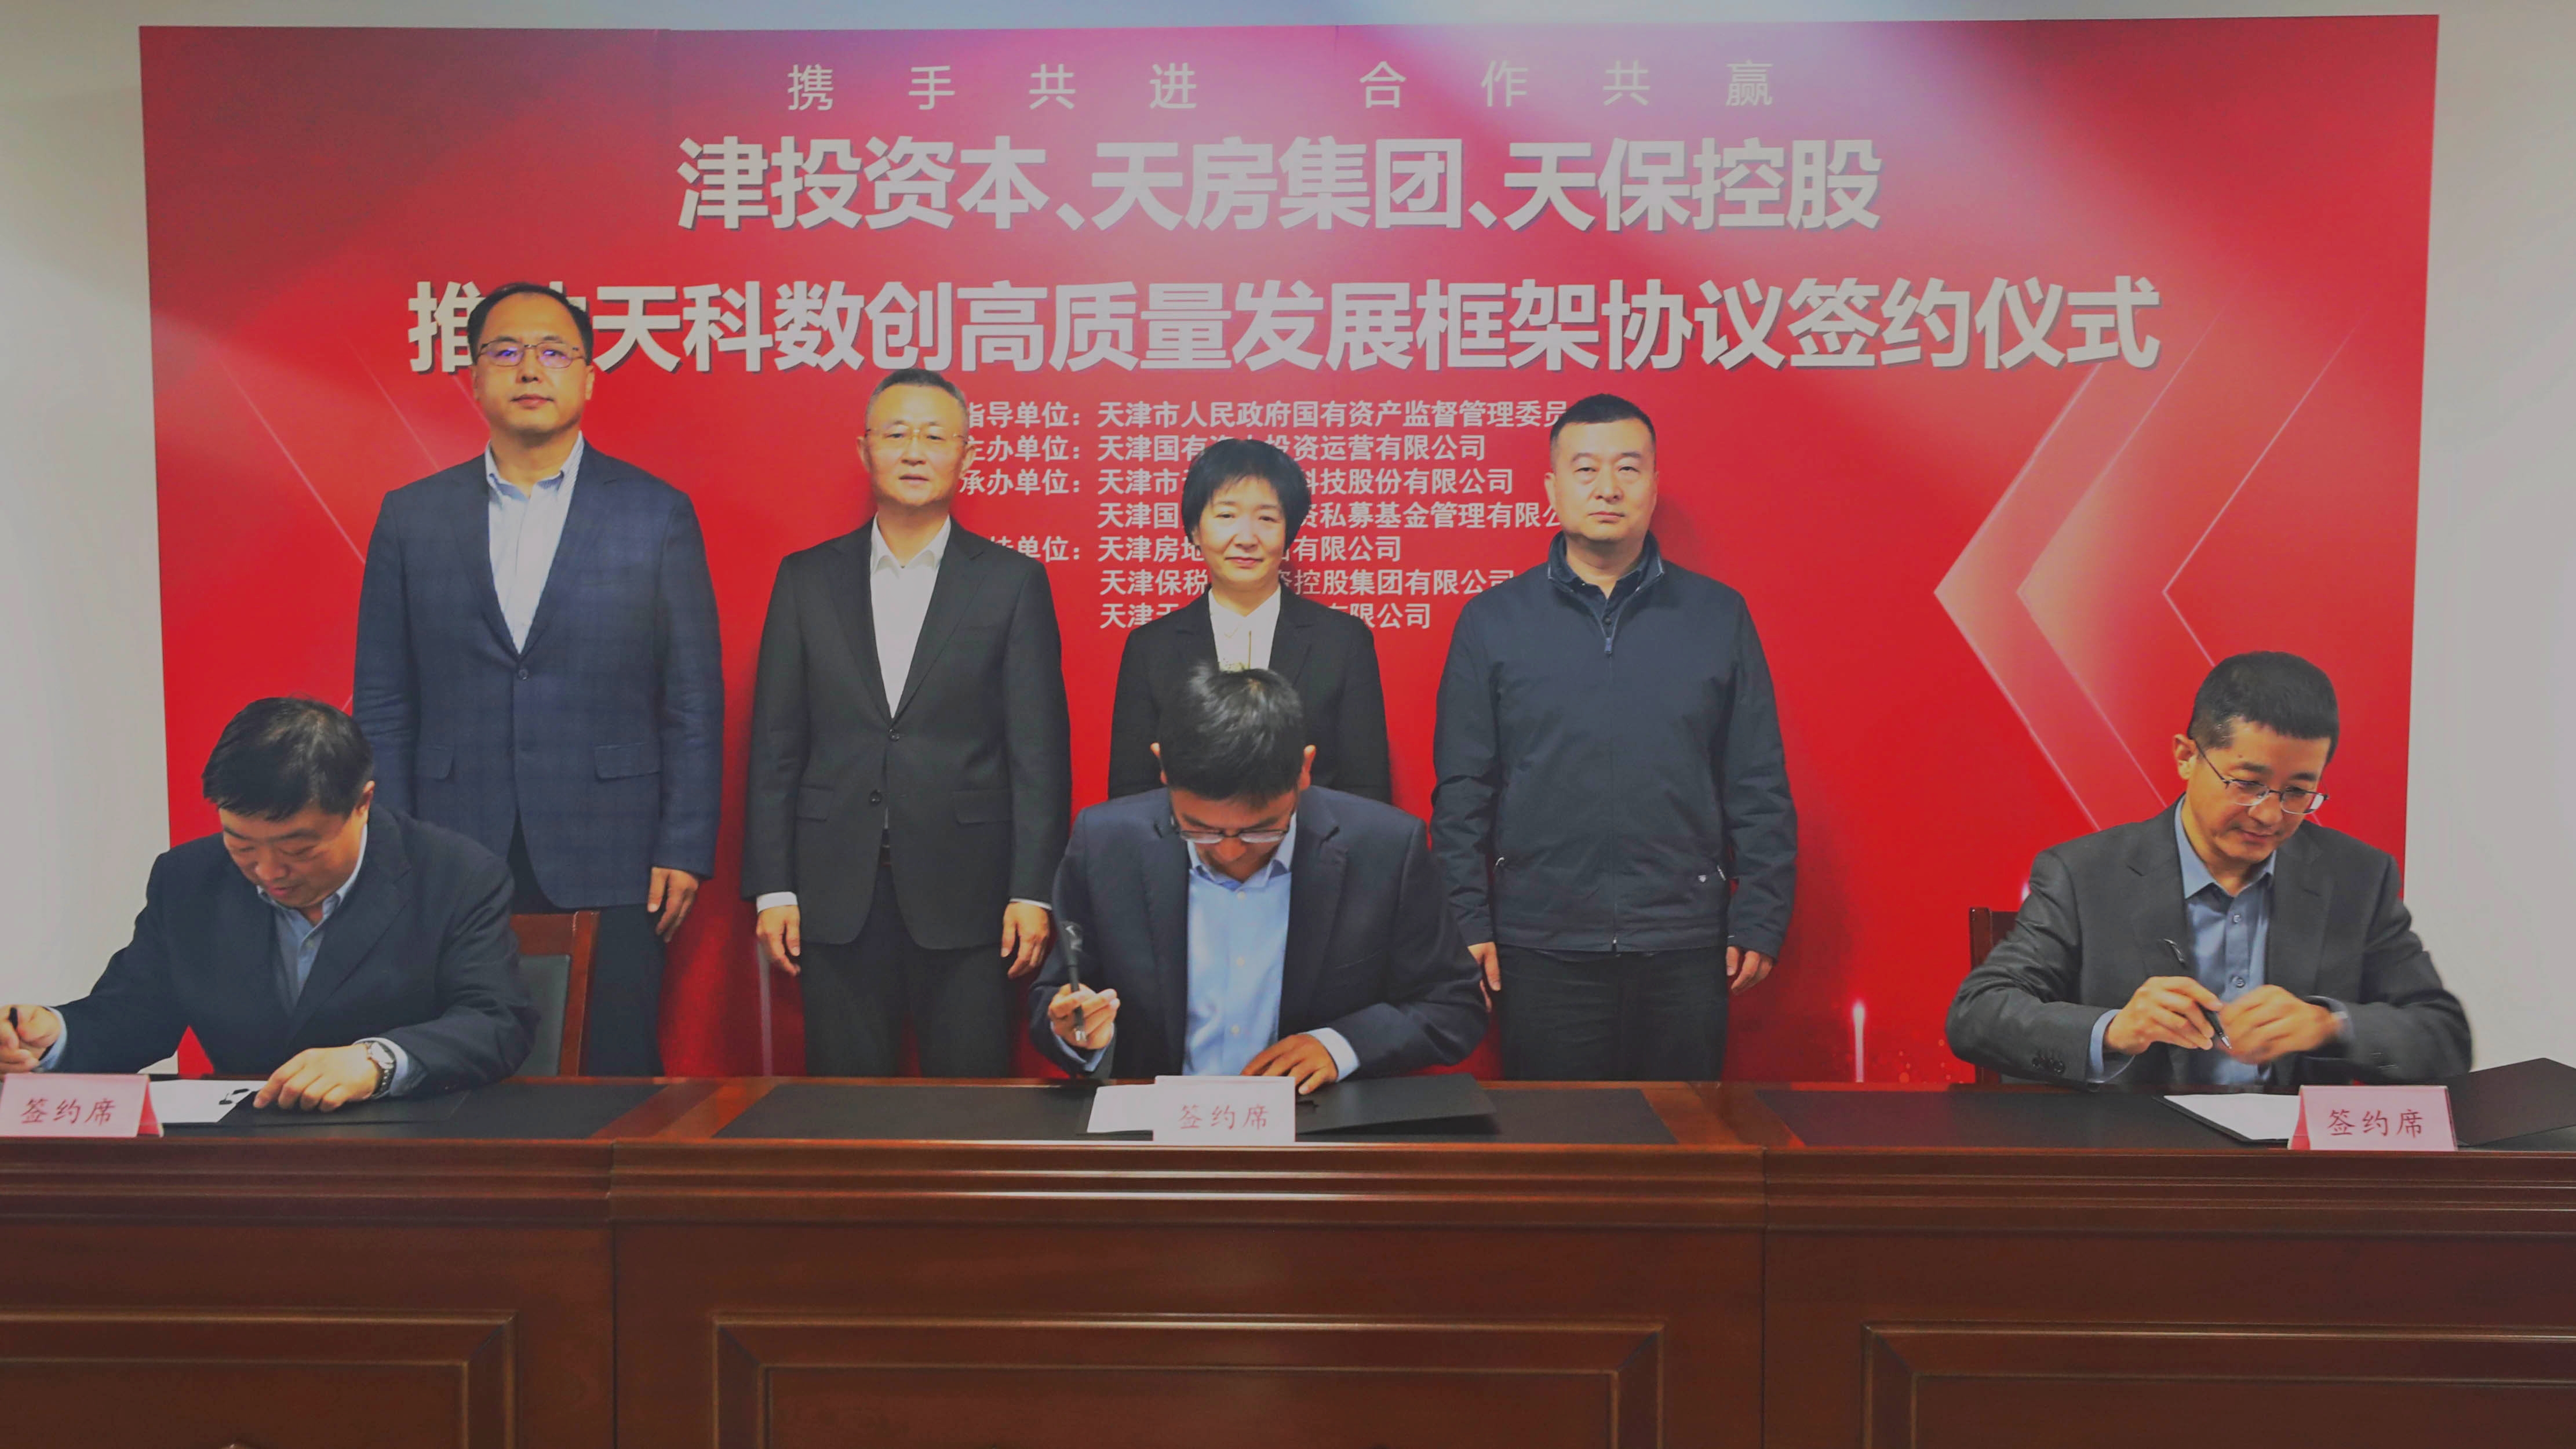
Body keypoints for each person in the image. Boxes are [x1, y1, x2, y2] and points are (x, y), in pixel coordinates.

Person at [352, 282, 723, 1076]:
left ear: (588, 377)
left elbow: (692, 697)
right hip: (449, 841)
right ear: (473, 378)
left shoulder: (654, 513)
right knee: (455, 1065)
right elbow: (383, 701)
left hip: (614, 842)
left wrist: (684, 846)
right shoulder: (412, 516)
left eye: (554, 352)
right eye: (506, 351)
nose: (530, 369)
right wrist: (392, 847)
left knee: (613, 1070)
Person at [1431, 393, 1796, 1082]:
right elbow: (1461, 790)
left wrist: (1760, 913)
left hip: (1684, 941)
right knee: (1557, 1142)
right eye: (1585, 469)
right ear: (1551, 488)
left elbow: (1755, 779)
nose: (1607, 488)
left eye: (1627, 468)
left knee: (1683, 1142)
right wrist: (1466, 920)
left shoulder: (1716, 615)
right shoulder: (1492, 621)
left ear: (1653, 485)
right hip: (1539, 943)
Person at [745, 368, 1072, 1076]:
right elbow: (774, 746)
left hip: (971, 892)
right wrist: (774, 886)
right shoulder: (806, 579)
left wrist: (1031, 890)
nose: (914, 451)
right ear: (864, 449)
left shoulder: (1011, 582)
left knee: (970, 1105)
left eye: (934, 436)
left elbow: (1038, 754)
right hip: (834, 887)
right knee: (845, 1109)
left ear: (966, 454)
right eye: (896, 434)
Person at [1948, 652, 2470, 1088]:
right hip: (2141, 1159)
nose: (2269, 815)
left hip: (2292, 1167)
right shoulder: (2084, 875)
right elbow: (1978, 1015)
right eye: (2247, 784)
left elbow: (2444, 1039)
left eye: (2297, 792)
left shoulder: (2356, 878)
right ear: (2185, 756)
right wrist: (2114, 1029)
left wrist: (2329, 1025)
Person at [0, 698, 536, 1109]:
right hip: (244, 1153)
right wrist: (51, 1037)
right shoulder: (187, 879)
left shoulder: (455, 874)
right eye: (241, 845)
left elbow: (496, 1020)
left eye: (298, 850)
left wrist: (376, 1062)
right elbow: (137, 1014)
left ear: (362, 804)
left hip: (406, 1146)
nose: (269, 871)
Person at [1031, 665, 1484, 1089]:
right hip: (1161, 1124)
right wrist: (1078, 1031)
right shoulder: (1106, 843)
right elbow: (1060, 995)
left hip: (1317, 1127)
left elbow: (1452, 1005)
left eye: (1262, 830)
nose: (1230, 851)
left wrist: (1340, 1046)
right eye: (1199, 830)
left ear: (1304, 769)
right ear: (1163, 766)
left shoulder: (1385, 847)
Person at [1105, 438, 1391, 802]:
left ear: (1289, 533)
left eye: (1267, 519)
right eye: (1226, 516)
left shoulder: (1343, 641)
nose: (1246, 538)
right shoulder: (1150, 647)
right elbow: (1130, 794)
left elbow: (1367, 792)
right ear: (1195, 530)